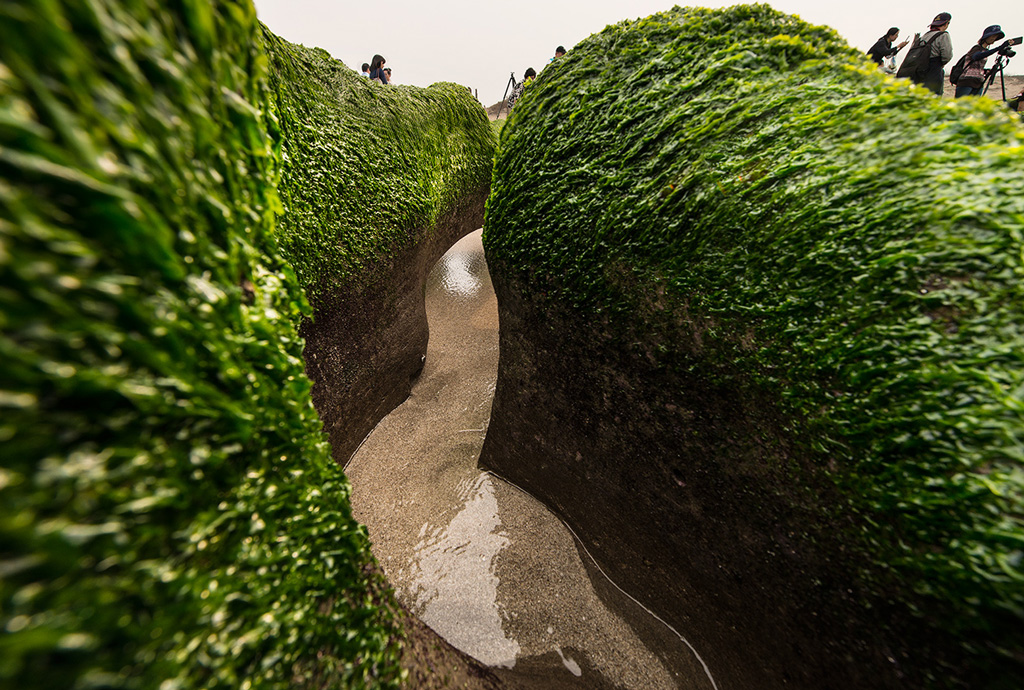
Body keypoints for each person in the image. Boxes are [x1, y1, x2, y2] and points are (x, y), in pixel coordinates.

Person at [954, 25, 1005, 97]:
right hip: (967, 81)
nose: (994, 39)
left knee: (975, 106)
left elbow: (977, 65)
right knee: (961, 105)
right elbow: (976, 56)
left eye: (995, 37)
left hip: (978, 82)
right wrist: (999, 48)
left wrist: (985, 71)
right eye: (992, 36)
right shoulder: (976, 48)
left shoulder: (985, 51)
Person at [917, 12, 953, 96]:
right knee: (934, 95)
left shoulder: (924, 36)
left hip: (921, 69)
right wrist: (942, 63)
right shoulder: (943, 35)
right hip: (934, 68)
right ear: (946, 24)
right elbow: (947, 55)